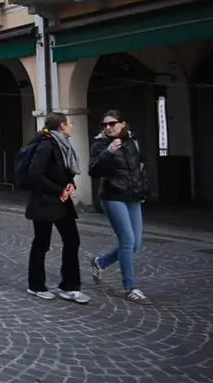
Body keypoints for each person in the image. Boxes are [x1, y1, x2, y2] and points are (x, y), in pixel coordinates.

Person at [25, 112, 90, 304]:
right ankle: (36, 285)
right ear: (61, 125)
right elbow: (35, 174)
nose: (72, 126)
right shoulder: (46, 145)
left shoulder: (62, 145)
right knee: (42, 243)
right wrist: (58, 190)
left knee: (72, 240)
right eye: (70, 123)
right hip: (44, 201)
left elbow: (62, 170)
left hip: (61, 202)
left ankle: (70, 287)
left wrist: (70, 184)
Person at [88, 110, 152, 305]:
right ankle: (129, 288)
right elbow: (93, 170)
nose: (108, 127)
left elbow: (140, 167)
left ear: (123, 124)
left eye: (112, 123)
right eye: (104, 125)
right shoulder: (100, 144)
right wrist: (108, 152)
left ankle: (100, 262)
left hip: (133, 195)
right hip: (112, 195)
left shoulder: (133, 140)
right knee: (127, 239)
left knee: (136, 243)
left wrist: (143, 191)